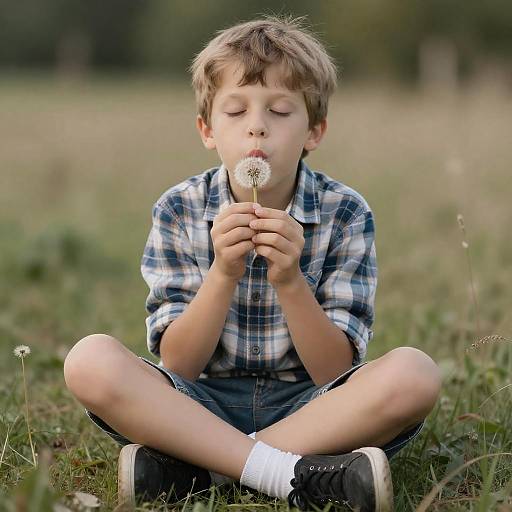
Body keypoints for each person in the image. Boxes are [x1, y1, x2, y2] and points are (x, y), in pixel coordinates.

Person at [63, 15, 442, 512]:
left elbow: (333, 371)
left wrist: (290, 280)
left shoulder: (346, 212)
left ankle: (200, 471)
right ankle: (292, 473)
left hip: (312, 407)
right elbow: (178, 363)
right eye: (236, 110)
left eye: (281, 111)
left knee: (415, 375)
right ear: (207, 130)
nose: (257, 125)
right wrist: (222, 273)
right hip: (196, 403)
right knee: (89, 361)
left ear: (315, 131)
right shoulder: (179, 209)